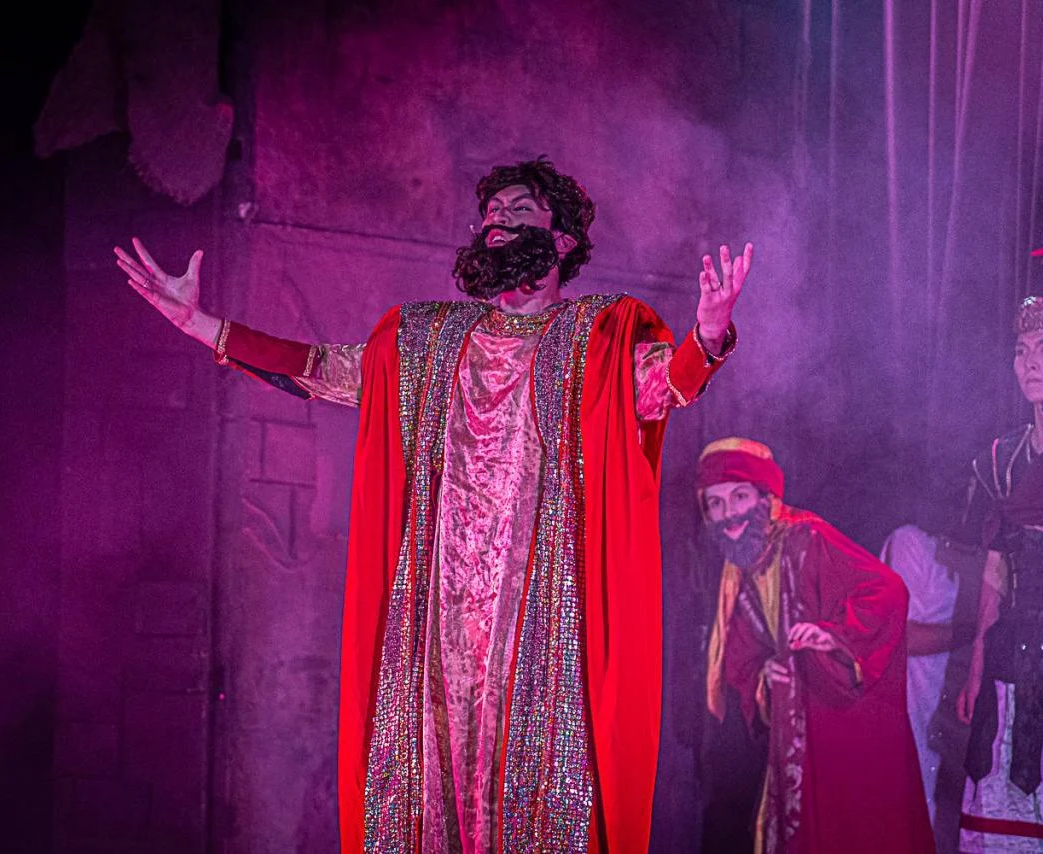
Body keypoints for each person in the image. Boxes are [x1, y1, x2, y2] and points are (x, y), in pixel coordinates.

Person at [115, 157, 752, 853]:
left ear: (563, 240)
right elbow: (320, 369)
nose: (498, 222)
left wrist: (708, 334)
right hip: (436, 621)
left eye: (519, 211)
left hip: (542, 619)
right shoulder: (423, 338)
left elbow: (665, 386)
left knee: (538, 800)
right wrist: (203, 326)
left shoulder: (598, 334)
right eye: (491, 215)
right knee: (427, 801)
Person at [699, 437, 934, 854]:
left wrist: (834, 635)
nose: (729, 513)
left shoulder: (806, 537)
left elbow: (887, 591)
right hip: (797, 725)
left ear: (765, 498)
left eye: (739, 497)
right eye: (715, 503)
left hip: (841, 720)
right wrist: (764, 673)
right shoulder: (742, 565)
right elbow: (743, 653)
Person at [955, 245, 1043, 853]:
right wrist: (976, 665)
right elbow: (996, 567)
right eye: (1021, 350)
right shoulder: (1000, 460)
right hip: (1011, 663)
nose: (1030, 361)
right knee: (1002, 820)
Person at [880, 522, 982, 853]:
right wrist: (976, 634)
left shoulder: (974, 549)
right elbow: (903, 636)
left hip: (951, 718)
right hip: (911, 714)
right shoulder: (910, 541)